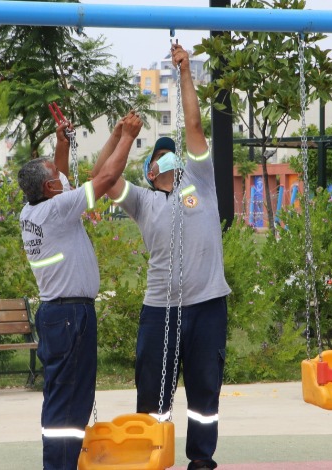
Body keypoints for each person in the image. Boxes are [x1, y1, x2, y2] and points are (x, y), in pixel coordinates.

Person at [92, 43, 230, 470]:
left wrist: (184, 71)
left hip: (207, 307)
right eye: (159, 155)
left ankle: (201, 460)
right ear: (150, 169)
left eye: (173, 152)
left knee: (205, 392)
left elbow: (192, 122)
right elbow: (101, 177)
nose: (169, 156)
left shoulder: (200, 182)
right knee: (153, 391)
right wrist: (120, 136)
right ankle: (152, 455)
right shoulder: (143, 201)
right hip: (160, 309)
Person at [18, 110, 142, 470]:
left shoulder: (32, 210)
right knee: (67, 400)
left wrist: (61, 144)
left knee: (70, 395)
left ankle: (63, 464)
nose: (61, 177)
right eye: (55, 175)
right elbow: (105, 178)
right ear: (49, 188)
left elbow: (65, 180)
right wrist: (128, 138)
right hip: (69, 315)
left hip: (62, 314)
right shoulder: (57, 211)